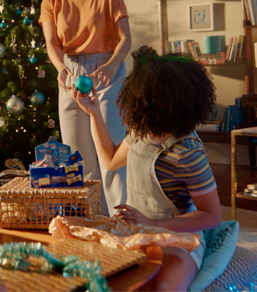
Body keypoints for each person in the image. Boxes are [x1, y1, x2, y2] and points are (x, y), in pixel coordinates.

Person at [73, 46, 222, 292]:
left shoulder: (188, 154)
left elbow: (212, 216)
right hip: (135, 231)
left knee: (162, 288)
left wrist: (152, 222)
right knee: (101, 280)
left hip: (176, 237)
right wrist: (94, 113)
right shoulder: (141, 134)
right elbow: (109, 160)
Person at [37, 0, 131, 216]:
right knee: (77, 156)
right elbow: (52, 43)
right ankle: (90, 218)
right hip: (70, 73)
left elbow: (126, 39)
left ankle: (120, 217)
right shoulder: (51, 1)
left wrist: (112, 64)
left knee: (112, 154)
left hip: (106, 69)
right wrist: (60, 69)